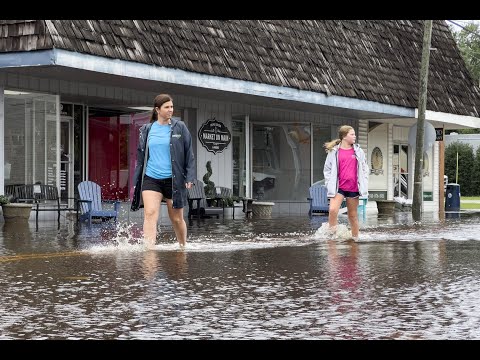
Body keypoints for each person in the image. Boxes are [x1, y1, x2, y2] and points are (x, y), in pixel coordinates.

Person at [131, 94, 196, 249]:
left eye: (171, 107)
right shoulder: (146, 130)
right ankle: (149, 250)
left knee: (177, 219)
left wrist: (189, 177)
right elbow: (141, 157)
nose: (170, 110)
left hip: (174, 180)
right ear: (157, 110)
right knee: (150, 214)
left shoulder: (180, 127)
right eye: (167, 107)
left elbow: (189, 154)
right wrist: (137, 180)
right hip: (151, 178)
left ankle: (182, 247)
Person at [323, 125, 368, 240]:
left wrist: (363, 183)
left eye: (354, 134)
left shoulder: (358, 151)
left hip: (353, 187)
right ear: (344, 136)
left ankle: (355, 238)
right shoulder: (334, 151)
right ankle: (332, 236)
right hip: (339, 187)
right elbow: (327, 169)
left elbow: (364, 168)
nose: (355, 136)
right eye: (352, 134)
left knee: (352, 215)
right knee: (333, 210)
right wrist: (329, 183)